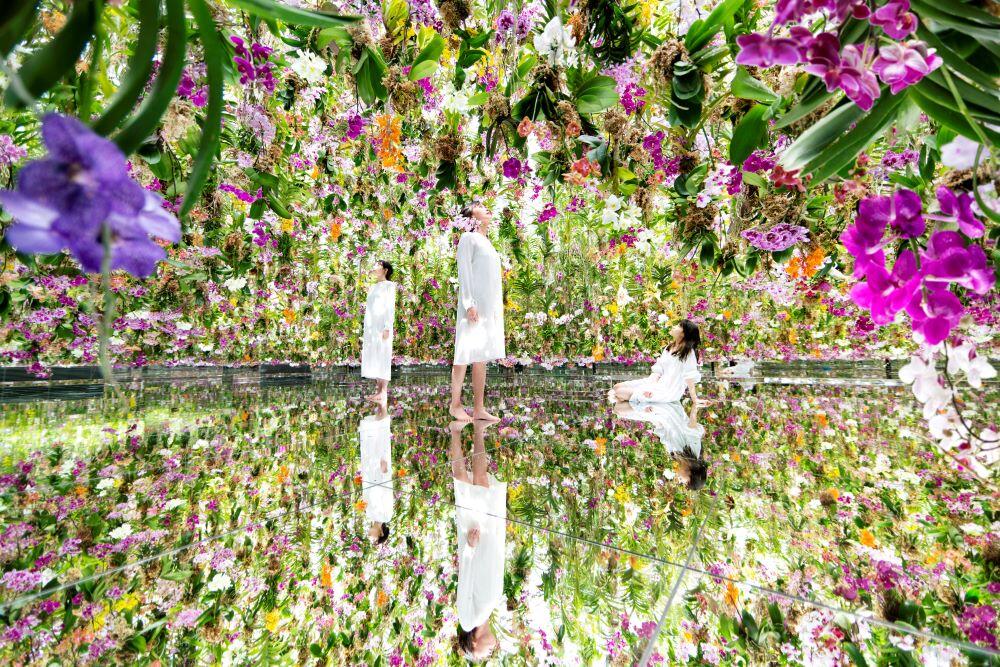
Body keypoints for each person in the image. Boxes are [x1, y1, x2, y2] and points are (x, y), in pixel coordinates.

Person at [450, 419, 504, 661]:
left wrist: (470, 549)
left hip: (474, 541)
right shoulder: (488, 612)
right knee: (481, 482)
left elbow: (465, 584)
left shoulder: (468, 619)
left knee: (464, 482)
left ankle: (456, 431)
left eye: (483, 657)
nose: (490, 654)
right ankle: (478, 431)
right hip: (489, 536)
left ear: (472, 645)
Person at [450, 203, 504, 422]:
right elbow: (464, 271)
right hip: (473, 306)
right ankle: (455, 405)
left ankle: (479, 408)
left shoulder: (487, 242)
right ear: (471, 216)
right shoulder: (468, 238)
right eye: (480, 207)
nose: (487, 208)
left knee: (480, 356)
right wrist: (469, 303)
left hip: (487, 306)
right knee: (463, 353)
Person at [361, 260, 396, 403]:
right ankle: (378, 391)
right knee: (375, 355)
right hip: (371, 327)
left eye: (378, 266)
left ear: (385, 270)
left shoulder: (389, 286)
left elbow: (390, 307)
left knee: (383, 354)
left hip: (383, 326)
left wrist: (387, 327)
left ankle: (383, 391)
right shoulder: (373, 287)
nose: (374, 268)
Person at [359, 399, 393, 544]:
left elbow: (366, 494)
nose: (369, 537)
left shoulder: (369, 515)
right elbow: (386, 493)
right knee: (381, 441)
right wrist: (385, 472)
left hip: (369, 474)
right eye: (374, 539)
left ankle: (380, 403)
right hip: (379, 474)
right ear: (381, 533)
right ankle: (382, 402)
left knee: (369, 444)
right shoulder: (386, 516)